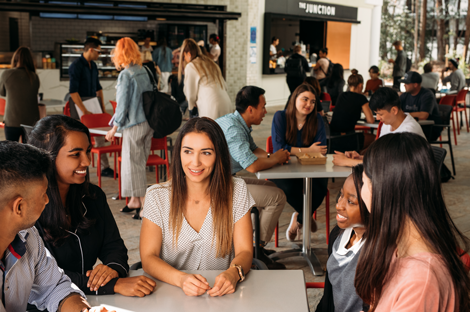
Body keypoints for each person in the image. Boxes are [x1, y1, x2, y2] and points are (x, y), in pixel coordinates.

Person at [28, 115, 156, 298]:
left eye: (87, 151)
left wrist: (112, 270)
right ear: (47, 157)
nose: (87, 162)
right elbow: (42, 277)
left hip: (89, 301)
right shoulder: (27, 211)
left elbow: (114, 248)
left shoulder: (93, 196)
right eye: (75, 154)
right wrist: (111, 285)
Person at [355, 133, 470, 311]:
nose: (361, 193)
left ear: (382, 190)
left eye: (363, 182)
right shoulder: (398, 247)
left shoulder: (421, 281)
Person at [140, 117, 254, 297]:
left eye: (206, 153)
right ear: (178, 153)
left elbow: (245, 251)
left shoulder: (236, 190)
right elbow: (148, 258)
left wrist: (234, 272)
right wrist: (181, 279)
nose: (195, 162)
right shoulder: (157, 196)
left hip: (221, 298)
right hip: (169, 297)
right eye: (188, 151)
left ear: (218, 155)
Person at [0, 141, 111, 312]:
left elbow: (56, 288)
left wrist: (83, 311)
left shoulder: (28, 237)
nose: (47, 200)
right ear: (19, 207)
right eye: (43, 194)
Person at [216, 86, 289, 269]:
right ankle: (256, 250)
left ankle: (256, 245)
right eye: (263, 107)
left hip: (225, 179)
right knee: (277, 197)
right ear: (250, 109)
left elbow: (254, 150)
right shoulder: (234, 129)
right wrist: (276, 158)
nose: (265, 112)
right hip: (217, 186)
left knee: (273, 187)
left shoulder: (237, 122)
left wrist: (274, 158)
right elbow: (252, 165)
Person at [271, 83, 328, 241]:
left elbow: (322, 149)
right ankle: (306, 216)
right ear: (294, 98)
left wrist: (294, 150)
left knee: (321, 187)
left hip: (311, 168)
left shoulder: (316, 119)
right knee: (288, 187)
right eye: (305, 99)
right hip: (283, 168)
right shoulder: (280, 117)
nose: (309, 104)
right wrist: (309, 150)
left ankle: (300, 217)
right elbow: (279, 149)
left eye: (313, 101)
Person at [105, 37, 154, 219]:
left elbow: (122, 105)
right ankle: (134, 200)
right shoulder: (145, 70)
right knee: (138, 162)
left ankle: (143, 205)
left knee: (133, 165)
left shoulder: (126, 75)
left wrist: (114, 128)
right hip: (148, 123)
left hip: (133, 124)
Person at [315, 165, 370, 312]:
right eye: (341, 195)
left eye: (351, 202)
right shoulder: (338, 234)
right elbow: (329, 295)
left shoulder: (375, 252)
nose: (339, 205)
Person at [333, 87, 426, 167]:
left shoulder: (409, 130)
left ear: (394, 110)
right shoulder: (387, 124)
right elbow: (382, 157)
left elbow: (389, 165)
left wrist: (349, 162)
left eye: (380, 114)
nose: (377, 118)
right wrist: (361, 157)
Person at [68, 37, 114, 178]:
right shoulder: (76, 65)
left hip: (93, 104)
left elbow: (98, 88)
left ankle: (105, 167)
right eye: (99, 52)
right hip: (80, 105)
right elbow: (73, 91)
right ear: (91, 50)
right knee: (81, 137)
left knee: (100, 136)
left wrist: (102, 107)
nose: (99, 55)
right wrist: (84, 110)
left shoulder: (93, 65)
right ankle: (80, 166)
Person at [179, 38, 232, 120]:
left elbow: (190, 94)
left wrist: (191, 106)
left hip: (211, 106)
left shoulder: (191, 66)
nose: (184, 59)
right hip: (227, 103)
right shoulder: (211, 63)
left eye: (184, 56)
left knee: (209, 132)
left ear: (188, 54)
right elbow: (225, 86)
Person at [0, 46, 40, 142]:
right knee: (29, 150)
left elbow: (2, 92)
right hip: (31, 121)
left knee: (12, 151)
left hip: (12, 120)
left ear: (15, 59)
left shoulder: (7, 74)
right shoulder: (34, 76)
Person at [329, 71, 375, 152]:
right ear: (360, 85)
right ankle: (360, 156)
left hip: (332, 137)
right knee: (375, 138)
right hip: (347, 138)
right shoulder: (361, 98)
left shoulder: (341, 95)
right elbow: (371, 120)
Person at [399, 71, 442, 141]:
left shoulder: (427, 95)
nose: (404, 85)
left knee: (401, 140)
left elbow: (424, 115)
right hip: (410, 127)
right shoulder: (405, 95)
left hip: (429, 129)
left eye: (407, 83)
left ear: (415, 85)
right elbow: (396, 111)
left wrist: (404, 115)